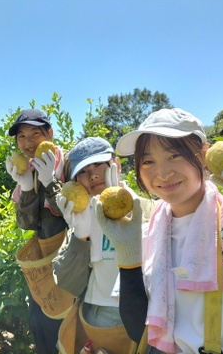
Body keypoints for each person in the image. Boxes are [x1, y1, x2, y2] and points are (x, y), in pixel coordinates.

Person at [93, 108, 223, 353]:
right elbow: (138, 331)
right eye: (148, 161)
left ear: (204, 155)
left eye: (174, 155)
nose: (162, 173)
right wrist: (128, 258)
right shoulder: (145, 236)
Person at [52, 137, 156, 351]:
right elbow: (67, 283)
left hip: (146, 313)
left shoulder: (148, 208)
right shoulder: (79, 215)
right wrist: (80, 237)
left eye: (99, 164)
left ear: (116, 164)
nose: (93, 175)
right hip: (98, 315)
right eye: (83, 171)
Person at [5, 109, 70, 354]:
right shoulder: (29, 170)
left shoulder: (70, 164)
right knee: (43, 327)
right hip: (44, 262)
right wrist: (26, 187)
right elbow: (26, 223)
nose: (28, 142)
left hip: (71, 263)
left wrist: (51, 182)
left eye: (35, 134)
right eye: (21, 137)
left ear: (50, 134)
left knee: (68, 330)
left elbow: (72, 214)